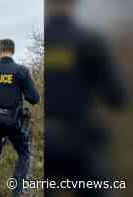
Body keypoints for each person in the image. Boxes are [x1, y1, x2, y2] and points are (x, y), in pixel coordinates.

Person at [45, 0, 127, 196]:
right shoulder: (89, 40)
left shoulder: (43, 41)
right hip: (80, 140)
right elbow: (117, 97)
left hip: (46, 139)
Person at [0, 39, 40, 197]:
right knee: (24, 153)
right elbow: (34, 98)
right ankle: (17, 191)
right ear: (13, 51)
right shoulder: (21, 71)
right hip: (13, 122)